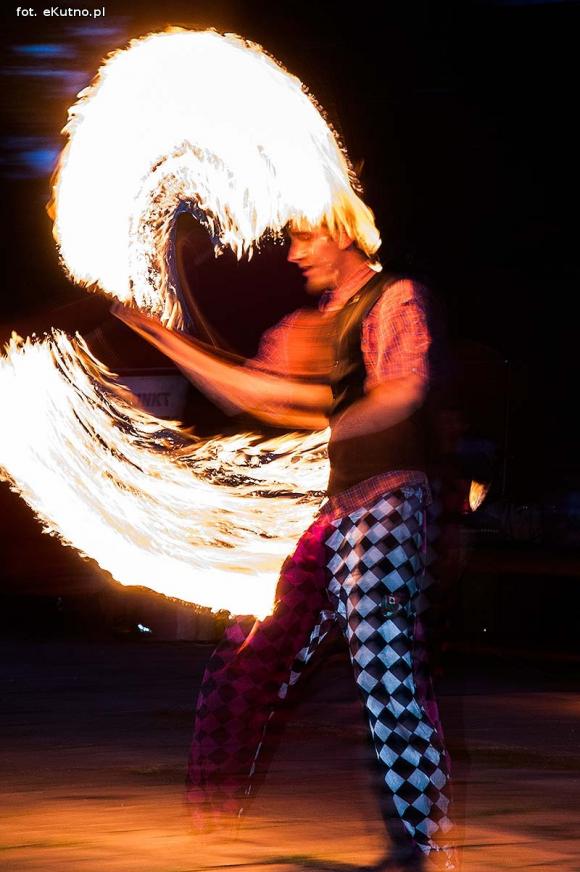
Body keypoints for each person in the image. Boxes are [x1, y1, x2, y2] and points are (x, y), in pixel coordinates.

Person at [114, 207, 457, 872]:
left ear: (344, 231)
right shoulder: (309, 326)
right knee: (251, 653)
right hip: (329, 518)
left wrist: (324, 426)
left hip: (386, 502)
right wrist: (165, 339)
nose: (294, 254)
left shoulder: (395, 299)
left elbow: (400, 392)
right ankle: (216, 813)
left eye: (304, 237)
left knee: (383, 668)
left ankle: (423, 848)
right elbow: (254, 394)